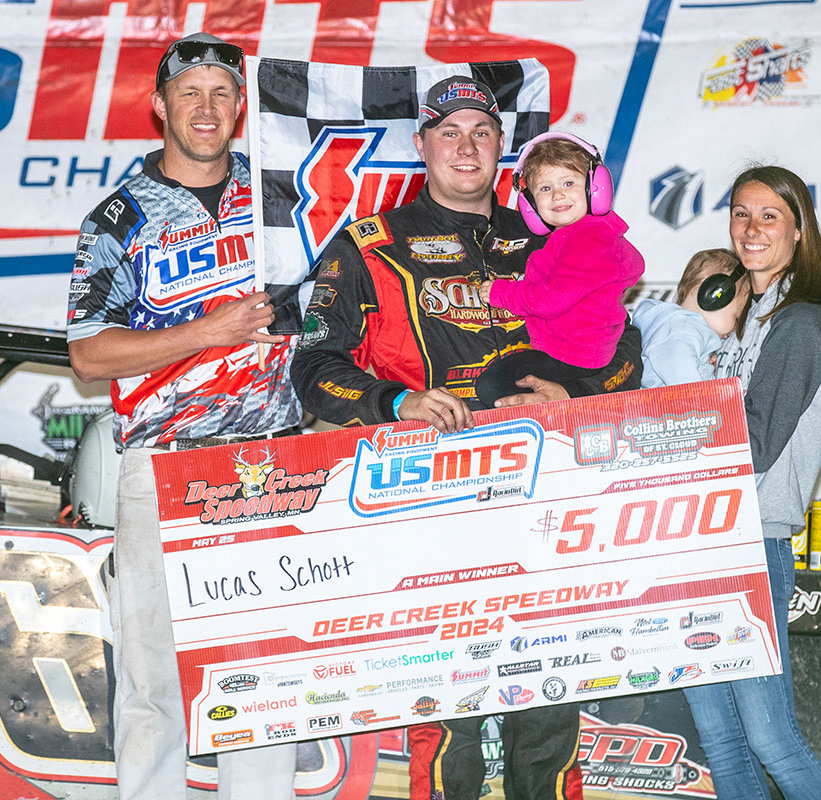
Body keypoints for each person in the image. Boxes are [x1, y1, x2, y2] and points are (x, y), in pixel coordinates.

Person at [290, 75, 643, 800]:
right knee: (445, 707)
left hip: (549, 496)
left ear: (503, 148)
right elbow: (314, 366)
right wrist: (395, 401)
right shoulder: (370, 244)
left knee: (551, 695)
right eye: (448, 131)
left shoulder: (554, 233)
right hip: (430, 501)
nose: (466, 145)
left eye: (482, 131)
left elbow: (626, 346)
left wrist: (575, 391)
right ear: (421, 146)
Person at [65, 33, 299, 800]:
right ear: (160, 106)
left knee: (260, 675)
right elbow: (90, 356)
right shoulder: (119, 215)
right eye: (191, 92)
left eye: (223, 93)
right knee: (152, 678)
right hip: (162, 465)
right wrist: (209, 331)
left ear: (242, 107)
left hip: (274, 459)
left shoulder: (283, 199)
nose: (208, 107)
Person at [681, 165, 821, 800]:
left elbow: (750, 444)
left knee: (770, 737)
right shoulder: (745, 317)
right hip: (700, 535)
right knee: (721, 739)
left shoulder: (801, 321)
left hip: (748, 541)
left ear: (799, 232)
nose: (750, 230)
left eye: (768, 216)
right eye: (740, 215)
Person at [473, 132, 644, 406]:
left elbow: (550, 299)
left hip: (573, 355)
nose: (558, 195)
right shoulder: (584, 234)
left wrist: (500, 292)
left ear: (594, 188)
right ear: (530, 203)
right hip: (575, 351)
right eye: (545, 189)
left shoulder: (588, 237)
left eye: (568, 182)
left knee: (493, 384)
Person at [632, 248, 750, 388]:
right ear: (715, 297)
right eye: (736, 318)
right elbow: (686, 388)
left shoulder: (682, 331)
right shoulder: (682, 330)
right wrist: (708, 405)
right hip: (675, 409)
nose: (735, 328)